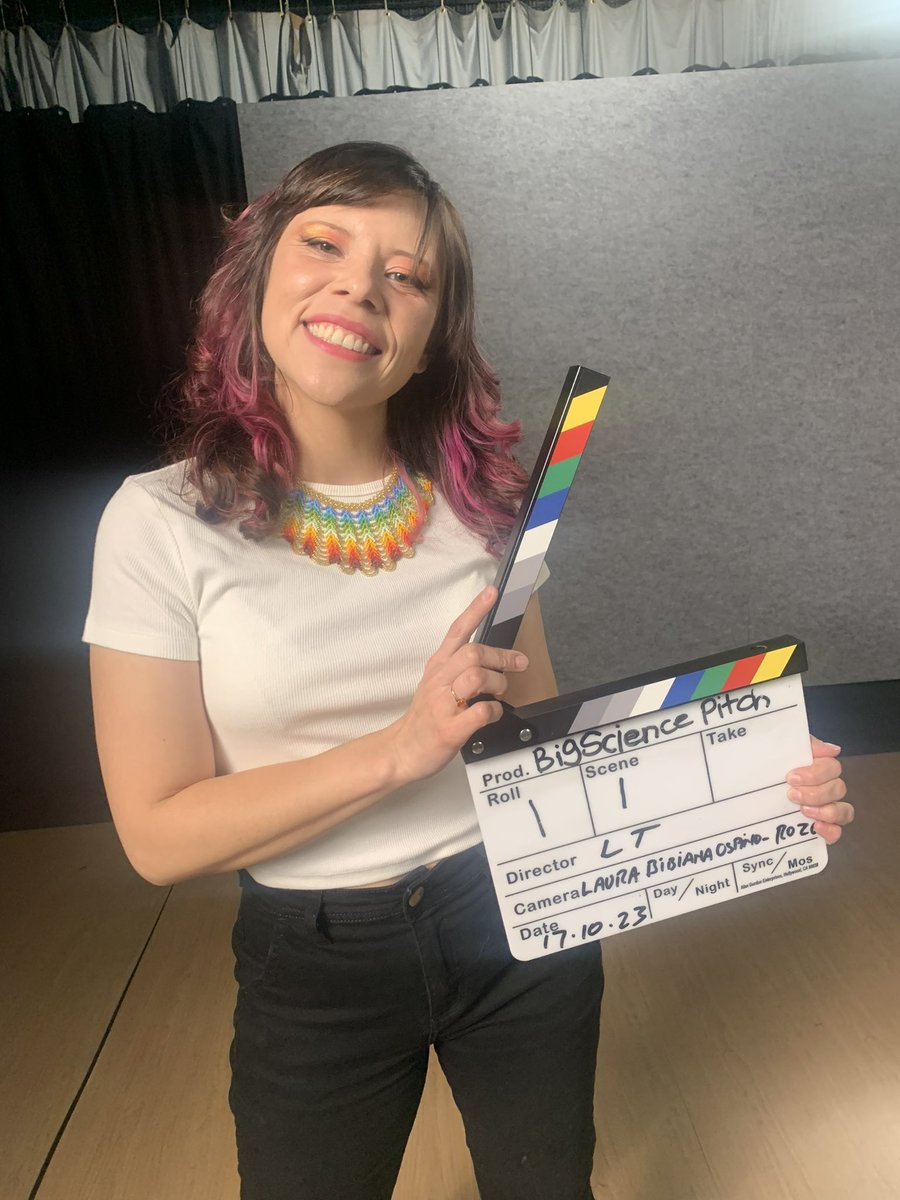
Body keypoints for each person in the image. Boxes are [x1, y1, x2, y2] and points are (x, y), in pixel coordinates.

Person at [83, 141, 854, 1200]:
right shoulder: (156, 522)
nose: (361, 284)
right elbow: (159, 836)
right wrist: (400, 750)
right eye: (325, 243)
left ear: (428, 341)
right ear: (256, 272)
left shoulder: (486, 514)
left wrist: (747, 798)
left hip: (516, 920)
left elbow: (545, 767)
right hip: (313, 961)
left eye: (408, 275)